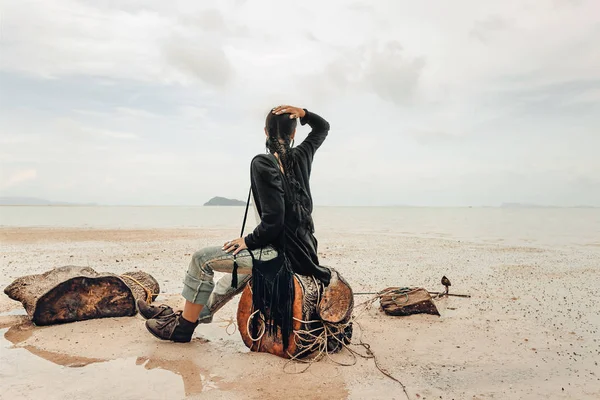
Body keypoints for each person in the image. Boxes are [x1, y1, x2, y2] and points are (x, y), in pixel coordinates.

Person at [140, 105, 332, 343]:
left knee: (201, 259)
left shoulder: (262, 163)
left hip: (281, 256)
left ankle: (182, 328)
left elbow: (274, 221)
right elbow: (323, 127)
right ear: (294, 134)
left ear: (265, 131)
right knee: (233, 276)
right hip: (305, 254)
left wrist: (248, 240)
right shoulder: (303, 156)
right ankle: (183, 315)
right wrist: (304, 113)